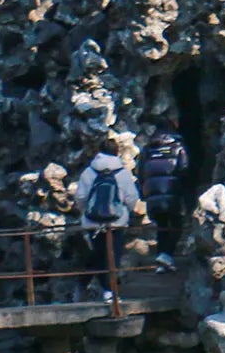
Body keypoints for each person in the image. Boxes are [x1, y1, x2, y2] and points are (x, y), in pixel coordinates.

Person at [73, 135, 140, 295]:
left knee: (98, 254)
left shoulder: (89, 172)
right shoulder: (121, 172)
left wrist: (87, 211)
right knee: (113, 255)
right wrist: (125, 212)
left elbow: (80, 197)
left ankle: (91, 286)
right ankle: (109, 291)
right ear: (117, 153)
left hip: (93, 221)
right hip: (116, 222)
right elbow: (132, 197)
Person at [140, 120, 188, 262]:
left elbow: (140, 171)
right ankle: (166, 255)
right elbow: (184, 167)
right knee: (177, 224)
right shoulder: (178, 147)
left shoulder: (148, 148)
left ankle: (162, 256)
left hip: (153, 194)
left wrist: (144, 191)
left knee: (161, 225)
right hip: (172, 191)